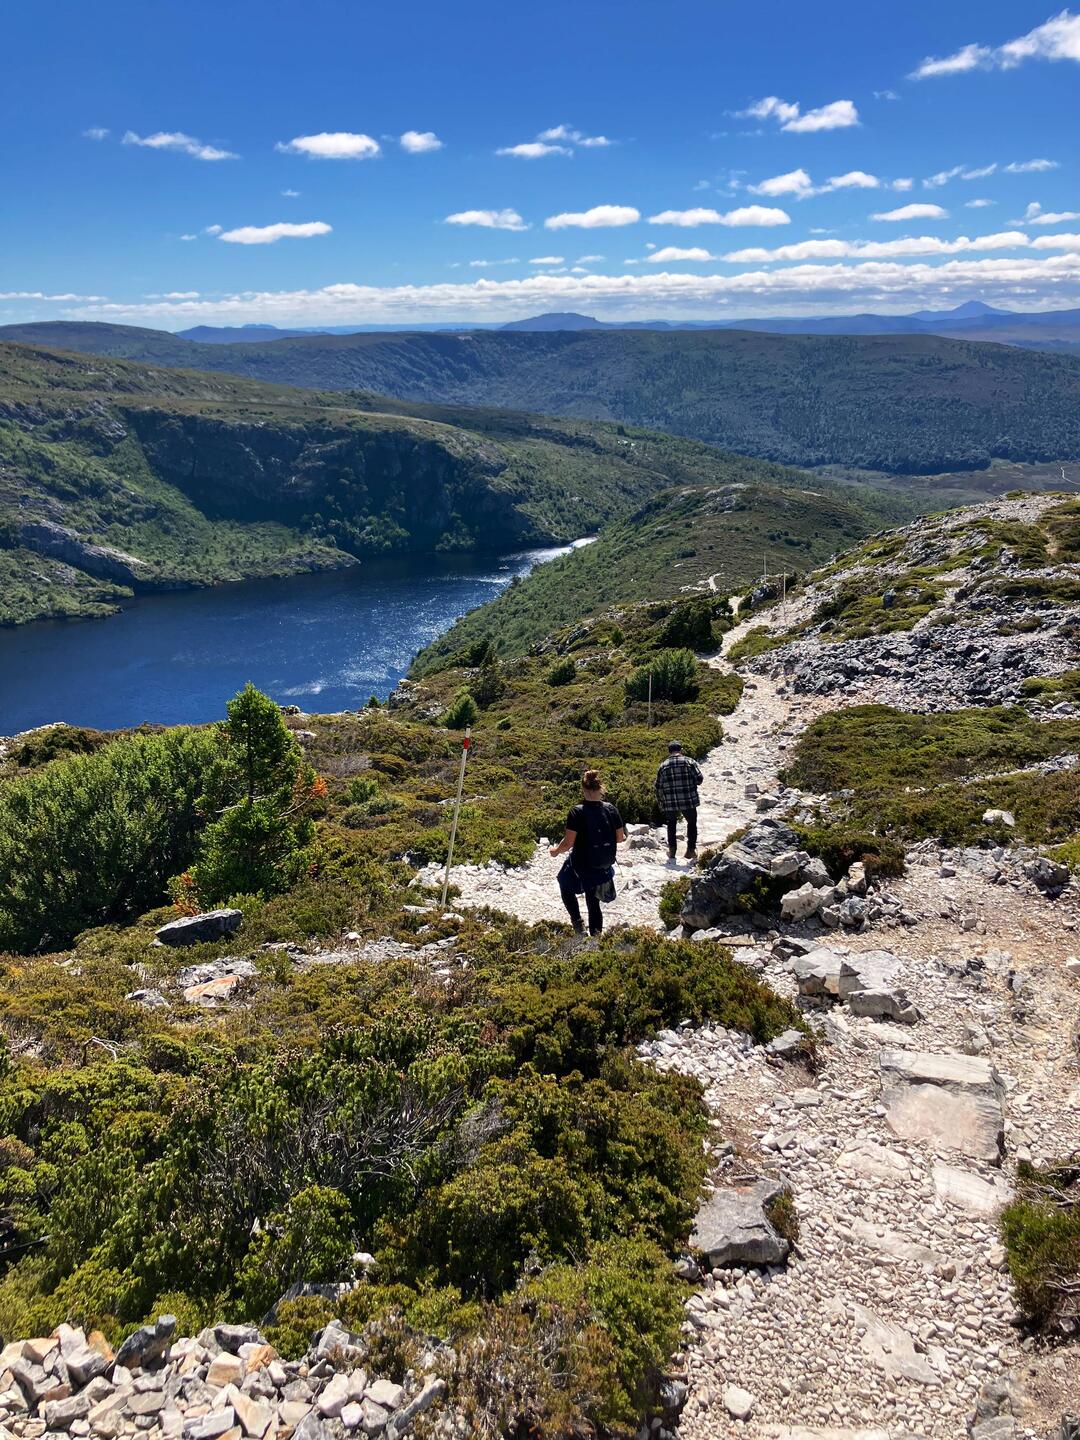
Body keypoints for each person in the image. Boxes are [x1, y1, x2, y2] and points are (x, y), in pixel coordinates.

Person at [549, 769, 626, 936]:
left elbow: (568, 843)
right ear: (601, 788)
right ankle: (596, 939)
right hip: (603, 864)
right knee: (593, 902)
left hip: (582, 863)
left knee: (564, 884)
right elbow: (620, 838)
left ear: (583, 789)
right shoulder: (611, 809)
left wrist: (555, 851)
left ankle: (577, 924)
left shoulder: (577, 811)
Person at [655, 740, 703, 861]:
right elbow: (699, 779)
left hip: (670, 801)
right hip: (688, 800)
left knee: (671, 824)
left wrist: (661, 800)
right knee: (691, 823)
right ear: (680, 750)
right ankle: (690, 850)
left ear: (669, 752)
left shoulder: (663, 765)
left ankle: (672, 851)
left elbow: (658, 786)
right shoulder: (689, 762)